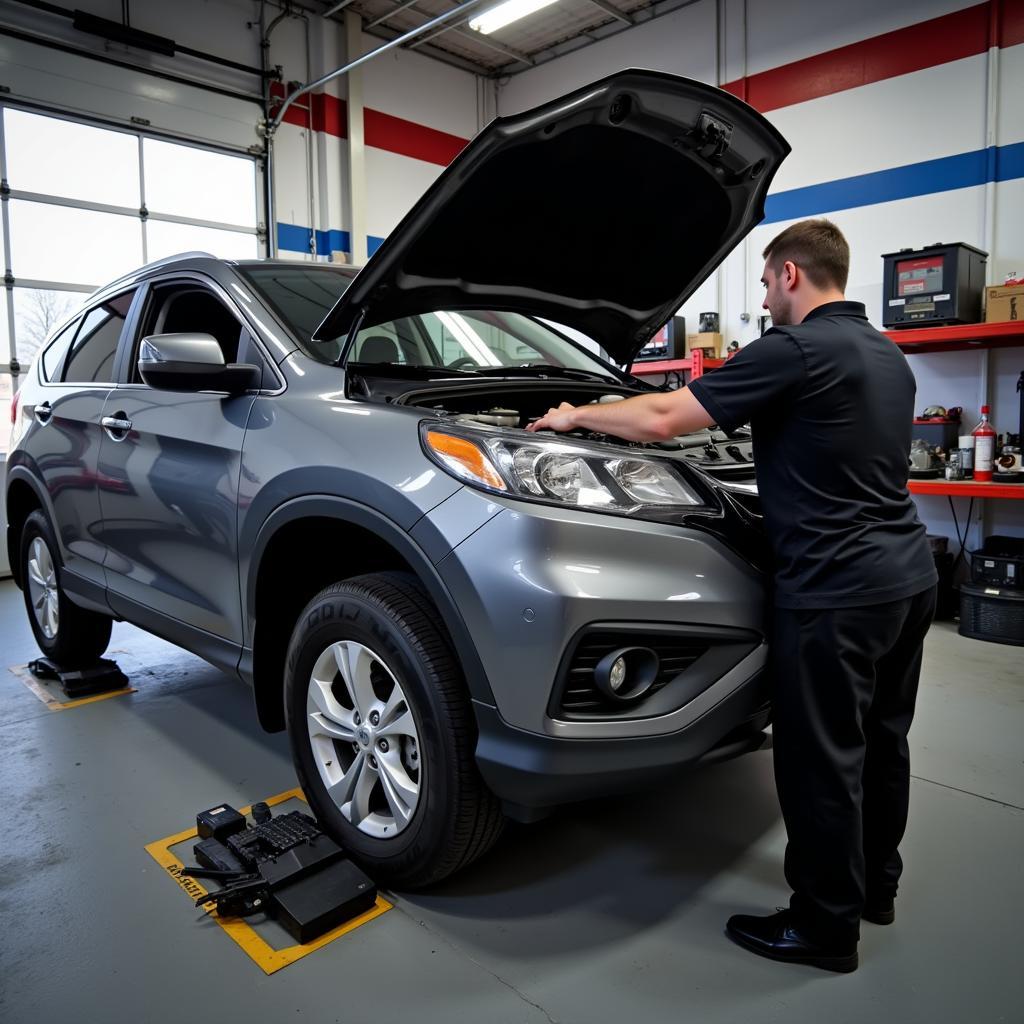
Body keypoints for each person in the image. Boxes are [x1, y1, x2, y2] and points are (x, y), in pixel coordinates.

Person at [528, 218, 938, 974]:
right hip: (908, 579)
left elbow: (662, 417)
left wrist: (575, 415)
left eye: (763, 279)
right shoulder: (886, 354)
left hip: (834, 590)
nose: (762, 295)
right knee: (883, 743)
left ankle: (822, 927)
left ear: (789, 274)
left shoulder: (795, 348)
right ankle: (876, 889)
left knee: (821, 762)